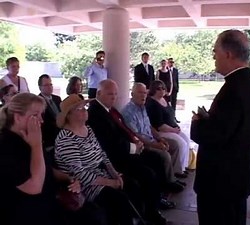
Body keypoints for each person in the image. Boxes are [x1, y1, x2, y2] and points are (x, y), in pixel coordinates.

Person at [190, 30, 250, 225]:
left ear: (228, 54)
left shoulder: (234, 88)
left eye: (215, 51)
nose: (213, 56)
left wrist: (197, 123)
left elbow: (215, 135)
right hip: (235, 179)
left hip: (220, 184)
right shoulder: (248, 84)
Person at [87, 79, 169, 225]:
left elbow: (124, 130)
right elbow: (109, 143)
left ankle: (156, 200)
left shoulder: (109, 109)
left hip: (126, 151)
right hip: (115, 159)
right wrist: (133, 147)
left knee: (157, 160)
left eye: (116, 94)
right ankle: (149, 212)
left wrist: (136, 142)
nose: (114, 97)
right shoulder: (95, 113)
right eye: (110, 94)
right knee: (147, 173)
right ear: (99, 93)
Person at [55, 94, 135, 225]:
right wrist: (111, 183)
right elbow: (79, 174)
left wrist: (115, 174)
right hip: (83, 185)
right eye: (79, 109)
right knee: (118, 200)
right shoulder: (66, 139)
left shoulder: (88, 129)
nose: (85, 110)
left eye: (84, 107)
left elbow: (101, 154)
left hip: (100, 174)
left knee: (131, 185)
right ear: (68, 115)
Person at [0, 93, 64, 225]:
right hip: (23, 215)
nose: (41, 120)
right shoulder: (5, 146)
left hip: (47, 206)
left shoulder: (28, 137)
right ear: (18, 117)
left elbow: (43, 166)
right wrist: (36, 145)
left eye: (41, 115)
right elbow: (34, 187)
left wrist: (67, 178)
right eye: (35, 115)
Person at [122, 82, 185, 193]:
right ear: (132, 94)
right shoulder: (128, 112)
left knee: (174, 144)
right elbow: (136, 136)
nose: (143, 95)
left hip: (151, 139)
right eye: (140, 93)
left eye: (144, 93)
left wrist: (160, 138)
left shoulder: (142, 107)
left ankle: (172, 177)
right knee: (164, 154)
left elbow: (149, 126)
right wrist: (155, 144)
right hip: (142, 145)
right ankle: (168, 183)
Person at [146, 80, 190, 178]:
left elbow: (171, 115)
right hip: (161, 131)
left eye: (163, 88)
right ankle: (176, 171)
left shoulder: (165, 100)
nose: (161, 90)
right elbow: (160, 125)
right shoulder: (152, 104)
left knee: (186, 140)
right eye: (158, 88)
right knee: (181, 143)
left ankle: (183, 167)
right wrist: (173, 130)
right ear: (153, 90)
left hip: (172, 128)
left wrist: (176, 126)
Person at [38, 74, 62, 151]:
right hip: (49, 140)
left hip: (61, 136)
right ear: (40, 87)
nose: (50, 87)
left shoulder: (57, 98)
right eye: (46, 85)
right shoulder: (37, 101)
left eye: (50, 84)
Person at [167, 58, 180, 123]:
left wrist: (177, 88)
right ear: (168, 63)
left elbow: (177, 80)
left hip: (174, 89)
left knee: (174, 104)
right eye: (170, 62)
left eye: (172, 62)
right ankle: (168, 118)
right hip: (167, 90)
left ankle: (174, 117)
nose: (171, 63)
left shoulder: (175, 70)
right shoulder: (165, 70)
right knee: (167, 104)